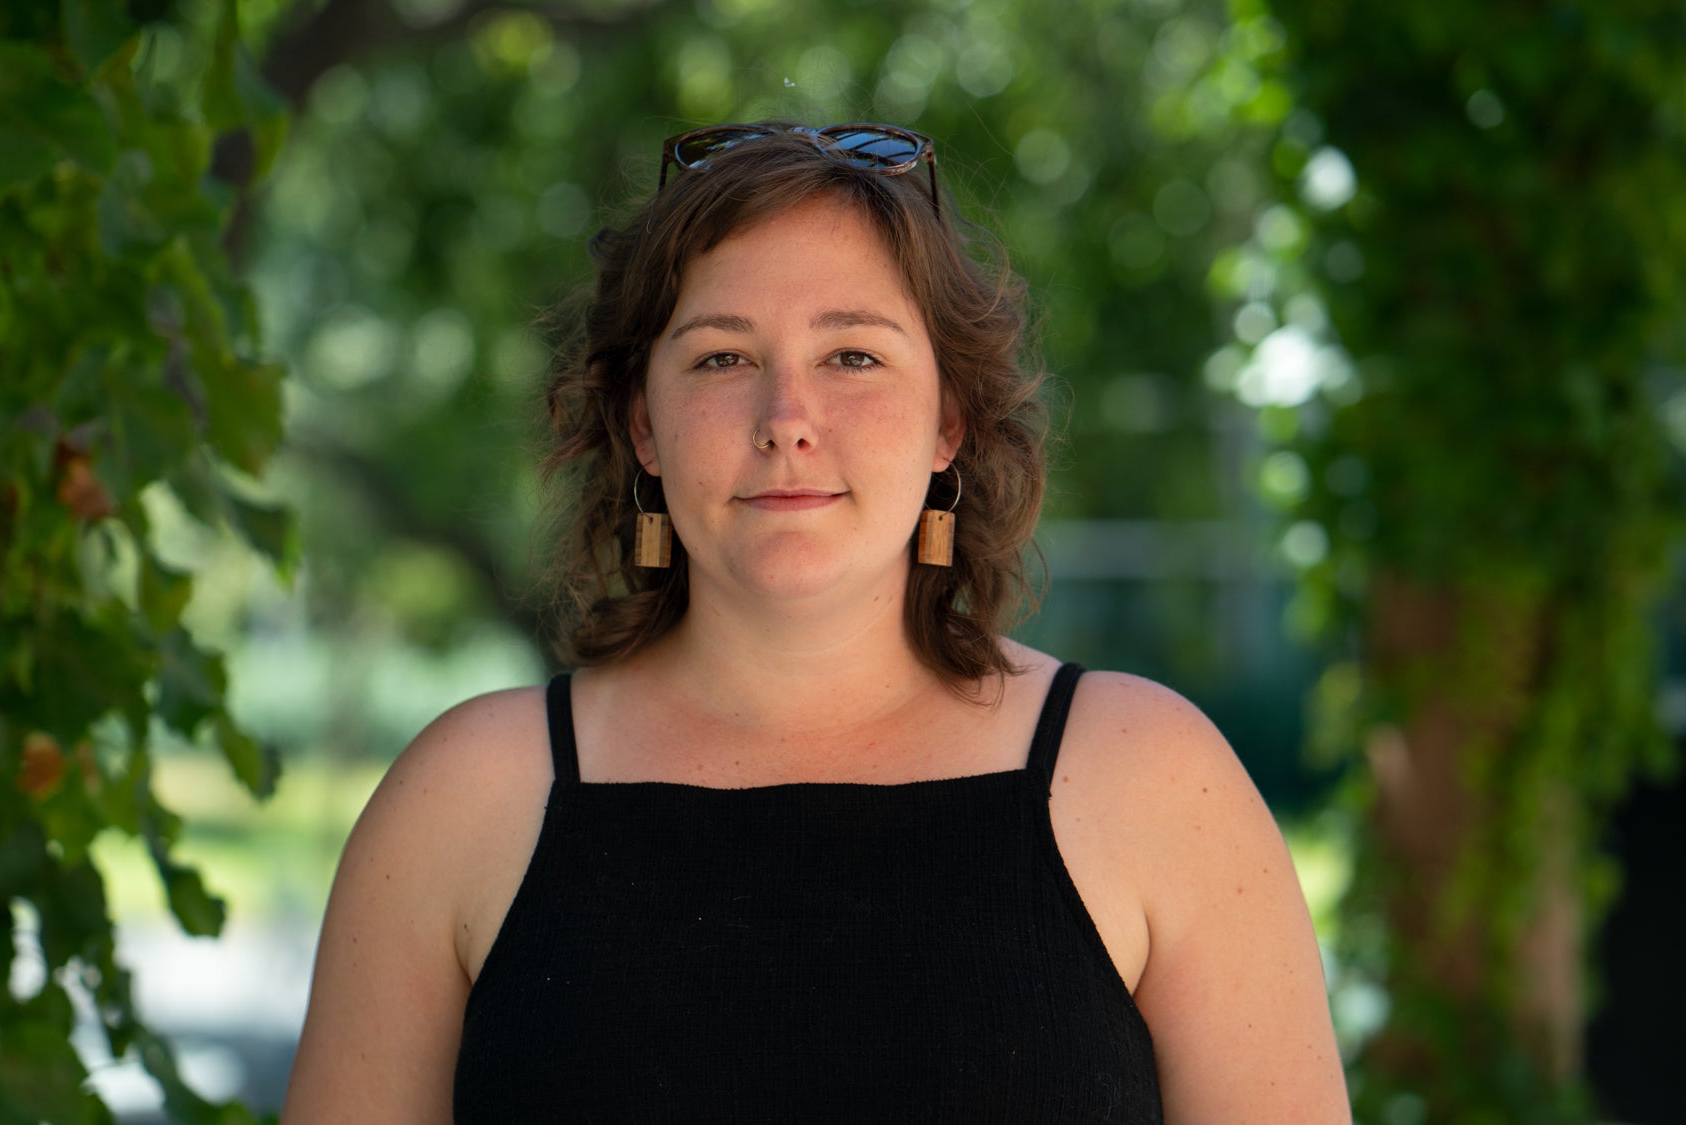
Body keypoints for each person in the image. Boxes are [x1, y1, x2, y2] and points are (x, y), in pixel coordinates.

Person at [283, 122, 1350, 1122]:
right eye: (720, 358)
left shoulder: (1153, 783)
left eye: (851, 356)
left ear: (949, 421)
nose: (785, 419)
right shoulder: (465, 803)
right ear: (640, 426)